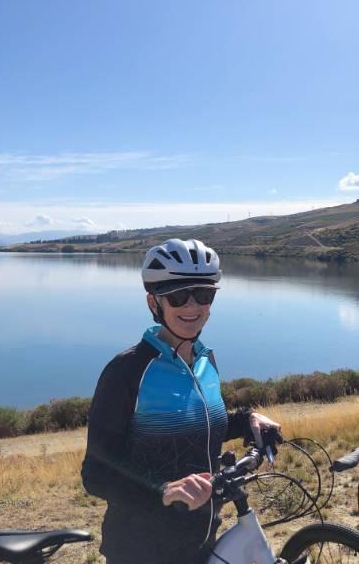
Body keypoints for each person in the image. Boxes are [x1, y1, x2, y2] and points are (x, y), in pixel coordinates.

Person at [81, 238, 280, 564]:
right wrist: (162, 492)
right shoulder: (127, 372)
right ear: (153, 303)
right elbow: (96, 474)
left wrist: (249, 419)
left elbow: (203, 423)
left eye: (203, 295)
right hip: (142, 548)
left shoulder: (205, 361)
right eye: (177, 296)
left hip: (203, 535)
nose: (191, 306)